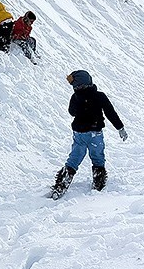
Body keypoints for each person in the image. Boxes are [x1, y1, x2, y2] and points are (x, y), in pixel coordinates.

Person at [51, 70, 128, 199]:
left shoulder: (75, 97)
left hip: (79, 134)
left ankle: (61, 185)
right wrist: (120, 127)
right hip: (95, 134)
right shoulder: (99, 96)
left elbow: (72, 112)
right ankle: (98, 183)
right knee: (98, 158)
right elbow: (110, 112)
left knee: (74, 159)